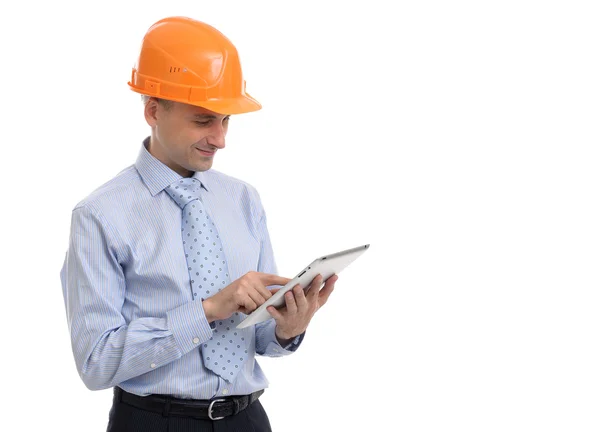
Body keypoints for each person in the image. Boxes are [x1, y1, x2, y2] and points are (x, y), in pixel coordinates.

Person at [59, 16, 338, 432]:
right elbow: (95, 363)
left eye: (226, 120)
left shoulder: (243, 199)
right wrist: (208, 310)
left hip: (248, 420)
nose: (220, 138)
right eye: (203, 120)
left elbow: (257, 339)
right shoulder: (100, 215)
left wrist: (287, 330)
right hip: (154, 423)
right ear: (154, 110)